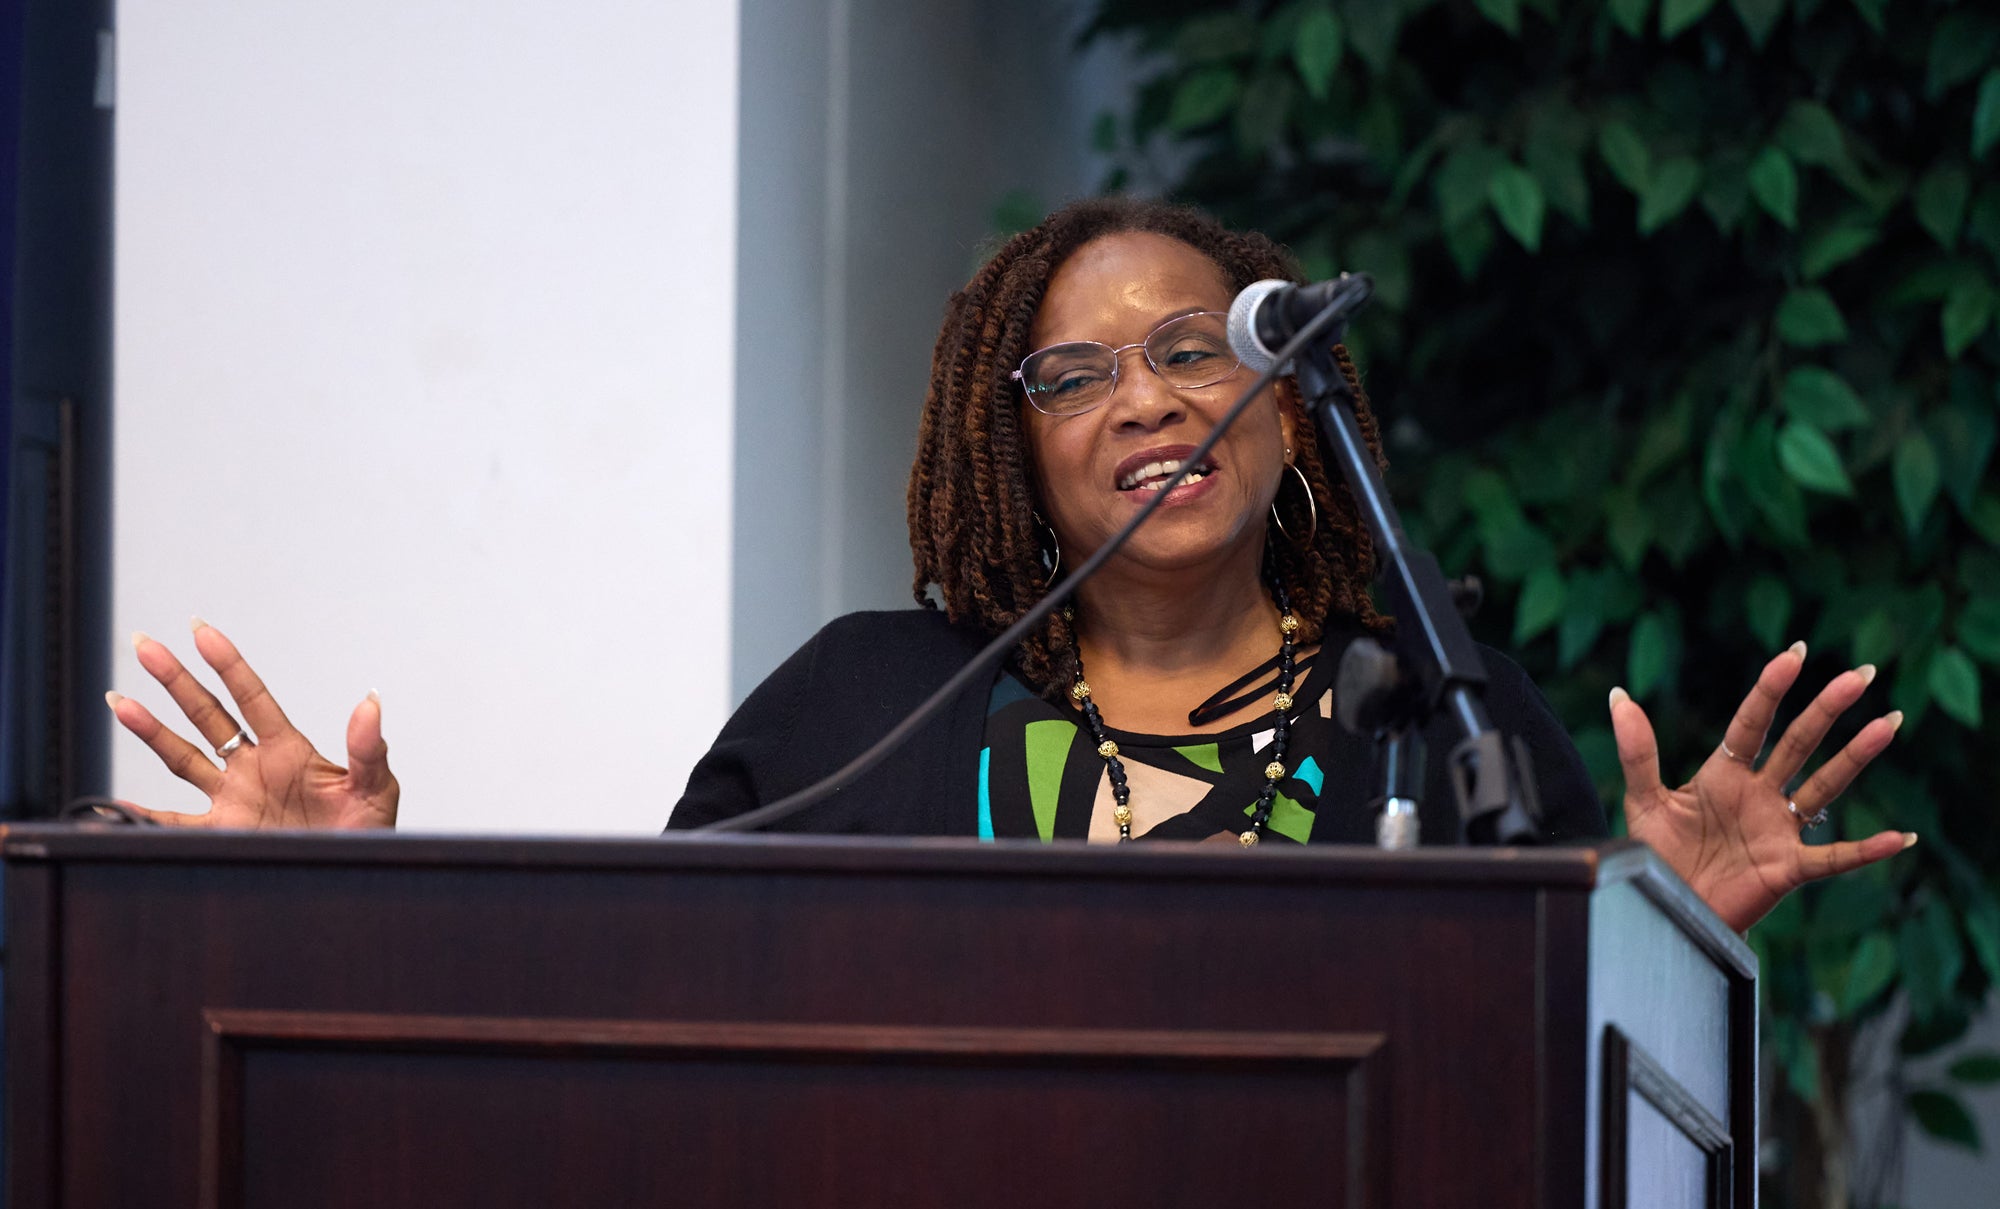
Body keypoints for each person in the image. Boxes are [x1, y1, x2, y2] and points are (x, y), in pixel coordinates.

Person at [104, 198, 1913, 933]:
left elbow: (1538, 1095)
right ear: (1014, 447)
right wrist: (346, 894)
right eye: (1079, 373)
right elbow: (638, 1001)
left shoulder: (1434, 707)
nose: (1149, 398)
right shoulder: (862, 705)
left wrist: (1649, 922)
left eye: (1200, 349)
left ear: (1291, 410)